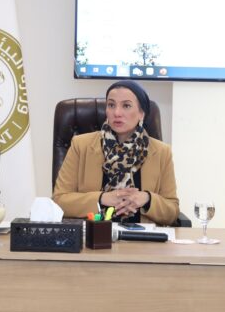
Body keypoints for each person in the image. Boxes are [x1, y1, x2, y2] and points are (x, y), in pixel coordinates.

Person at [53, 80, 179, 225]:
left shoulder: (162, 152)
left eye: (126, 106)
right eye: (111, 105)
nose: (117, 113)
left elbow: (172, 212)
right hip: (94, 234)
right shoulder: (81, 145)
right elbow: (59, 201)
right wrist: (102, 198)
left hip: (141, 236)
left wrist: (147, 199)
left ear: (141, 114)